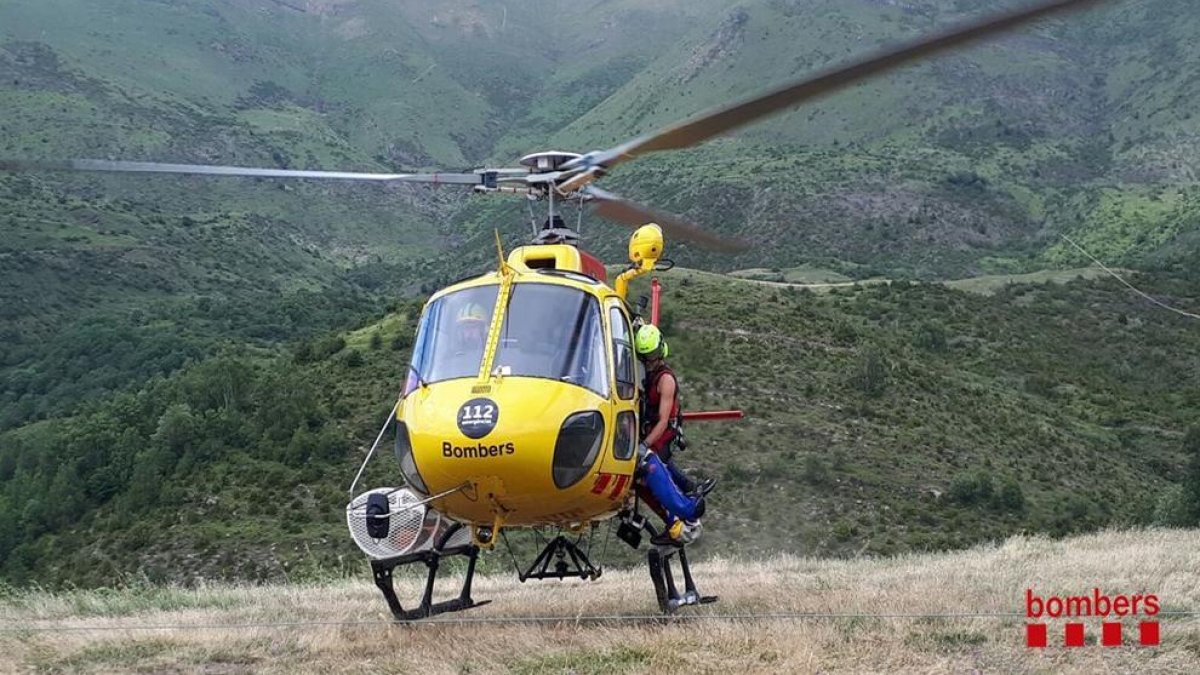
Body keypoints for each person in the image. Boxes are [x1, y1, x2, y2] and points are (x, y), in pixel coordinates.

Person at [633, 324, 714, 545]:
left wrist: (644, 445)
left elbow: (662, 421)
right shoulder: (648, 375)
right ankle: (689, 493)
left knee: (648, 473)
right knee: (642, 480)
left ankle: (686, 513)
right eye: (645, 356)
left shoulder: (665, 380)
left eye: (652, 355)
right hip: (649, 434)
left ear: (660, 352)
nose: (649, 361)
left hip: (660, 436)